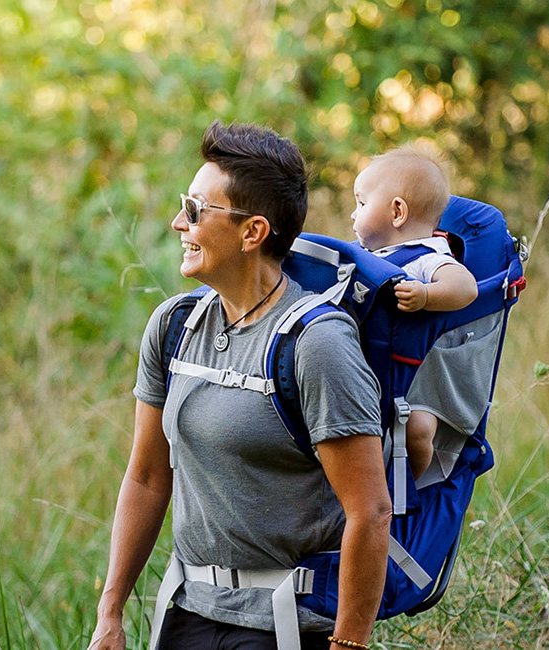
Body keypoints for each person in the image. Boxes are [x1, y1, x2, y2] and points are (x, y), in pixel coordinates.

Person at [88, 121, 392, 650]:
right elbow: (146, 476)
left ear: (253, 232)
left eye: (196, 210)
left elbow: (370, 511)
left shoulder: (317, 343)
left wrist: (349, 645)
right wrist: (110, 610)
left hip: (284, 626)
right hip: (186, 614)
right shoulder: (175, 326)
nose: (178, 222)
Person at [349, 142, 478, 479]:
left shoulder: (426, 256)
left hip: (412, 382)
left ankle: (407, 489)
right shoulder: (364, 255)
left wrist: (425, 294)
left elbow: (466, 287)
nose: (353, 213)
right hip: (363, 371)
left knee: (419, 429)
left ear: (397, 212)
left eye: (361, 203)